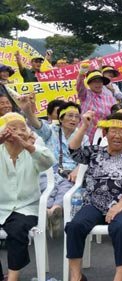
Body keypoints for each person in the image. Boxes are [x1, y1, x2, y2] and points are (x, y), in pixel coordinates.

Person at [65, 112, 122, 281]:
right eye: (112, 131)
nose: (117, 135)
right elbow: (73, 150)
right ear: (105, 133)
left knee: (121, 227)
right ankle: (76, 276)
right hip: (94, 204)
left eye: (121, 131)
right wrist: (84, 127)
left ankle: (120, 274)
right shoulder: (94, 151)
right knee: (74, 226)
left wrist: (118, 206)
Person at [21, 97, 89, 237]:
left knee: (67, 186)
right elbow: (35, 123)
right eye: (70, 115)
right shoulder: (50, 131)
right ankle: (51, 212)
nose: (74, 119)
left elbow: (86, 158)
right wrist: (27, 110)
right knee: (46, 186)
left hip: (70, 173)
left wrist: (78, 169)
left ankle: (54, 210)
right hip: (49, 171)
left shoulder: (83, 136)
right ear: (61, 118)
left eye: (77, 117)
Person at [0, 112, 55, 281]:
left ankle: (13, 277)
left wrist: (27, 145)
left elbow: (49, 161)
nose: (17, 132)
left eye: (22, 128)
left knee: (17, 230)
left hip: (27, 207)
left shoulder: (34, 149)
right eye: (12, 128)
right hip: (1, 206)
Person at [76, 65, 117, 141]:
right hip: (86, 134)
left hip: (103, 135)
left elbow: (115, 111)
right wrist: (81, 74)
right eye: (94, 82)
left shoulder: (109, 96)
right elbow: (79, 86)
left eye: (100, 82)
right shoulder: (85, 95)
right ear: (89, 84)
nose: (98, 84)